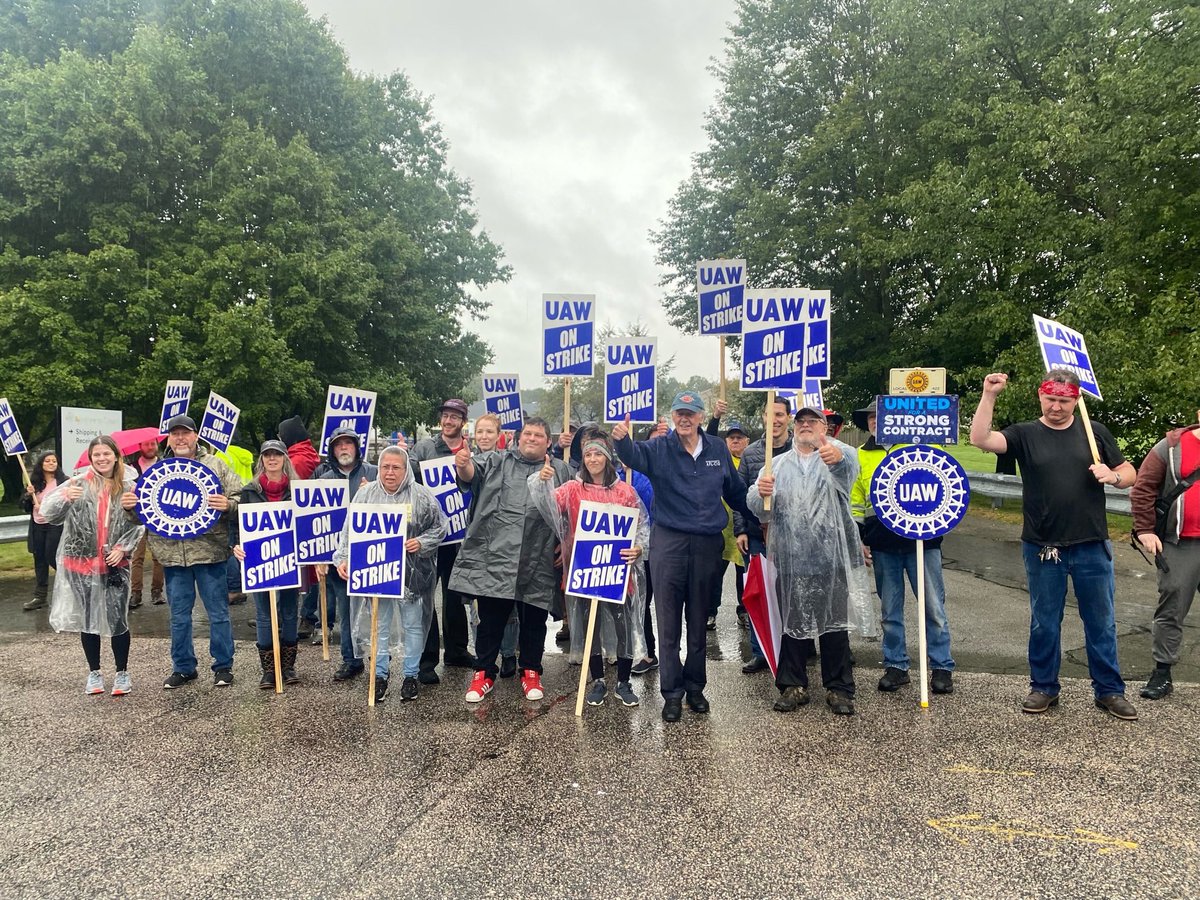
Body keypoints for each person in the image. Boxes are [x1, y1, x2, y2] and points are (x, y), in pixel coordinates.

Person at [970, 369, 1138, 720]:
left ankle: (1109, 691)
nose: (1057, 407)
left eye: (1064, 400)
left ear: (1076, 399)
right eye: (1051, 399)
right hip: (1043, 545)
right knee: (1045, 621)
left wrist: (1115, 476)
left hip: (1092, 542)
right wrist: (990, 395)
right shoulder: (1026, 434)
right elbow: (981, 439)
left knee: (1101, 621)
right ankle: (1044, 686)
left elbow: (1129, 472)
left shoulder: (1094, 432)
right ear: (1040, 395)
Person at [612, 391, 752, 722]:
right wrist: (621, 440)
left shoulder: (717, 448)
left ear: (701, 416)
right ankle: (672, 693)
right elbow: (634, 456)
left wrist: (758, 511)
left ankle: (695, 689)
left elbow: (733, 491)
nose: (684, 418)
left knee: (699, 622)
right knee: (670, 621)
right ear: (673, 416)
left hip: (706, 544)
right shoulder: (661, 448)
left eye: (690, 413)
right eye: (679, 413)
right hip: (669, 542)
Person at [747, 407, 871, 715]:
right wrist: (761, 493)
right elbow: (758, 508)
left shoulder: (838, 453)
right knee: (791, 625)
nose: (805, 426)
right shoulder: (775, 464)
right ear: (793, 425)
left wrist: (837, 461)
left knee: (833, 627)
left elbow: (847, 474)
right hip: (791, 559)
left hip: (831, 559)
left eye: (812, 421)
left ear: (824, 426)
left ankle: (838, 688)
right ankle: (793, 685)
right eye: (800, 421)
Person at [451, 417, 571, 702]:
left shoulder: (561, 470)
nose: (532, 438)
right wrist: (463, 463)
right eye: (527, 433)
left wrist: (565, 545)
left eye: (538, 435)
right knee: (491, 619)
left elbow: (571, 512)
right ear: (518, 437)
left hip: (539, 556)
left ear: (548, 441)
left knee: (534, 619)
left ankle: (531, 670)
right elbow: (470, 475)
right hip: (497, 556)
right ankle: (483, 673)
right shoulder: (496, 460)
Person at [529, 432, 649, 707]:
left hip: (617, 571)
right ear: (583, 459)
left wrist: (639, 549)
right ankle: (598, 680)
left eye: (598, 454)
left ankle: (623, 680)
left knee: (622, 626)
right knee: (590, 627)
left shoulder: (625, 491)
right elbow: (546, 504)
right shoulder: (572, 489)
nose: (593, 459)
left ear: (608, 458)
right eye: (588, 455)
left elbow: (642, 527)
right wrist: (542, 480)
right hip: (585, 571)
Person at [851, 402, 955, 695]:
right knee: (890, 609)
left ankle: (942, 667)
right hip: (883, 544)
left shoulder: (920, 447)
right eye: (871, 418)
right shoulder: (861, 456)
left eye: (880, 417)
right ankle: (896, 666)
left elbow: (946, 483)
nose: (875, 422)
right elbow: (855, 501)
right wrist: (859, 537)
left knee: (933, 607)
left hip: (923, 541)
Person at [333, 446, 447, 703]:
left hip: (412, 575)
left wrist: (422, 542)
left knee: (413, 625)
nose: (390, 472)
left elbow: (441, 527)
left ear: (406, 470)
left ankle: (410, 676)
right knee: (379, 626)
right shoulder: (365, 495)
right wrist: (343, 560)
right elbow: (348, 532)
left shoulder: (422, 496)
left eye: (396, 467)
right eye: (385, 467)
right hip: (376, 574)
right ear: (379, 468)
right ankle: (380, 676)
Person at [40, 436, 143, 695]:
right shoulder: (76, 483)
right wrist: (65, 497)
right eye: (96, 454)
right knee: (88, 619)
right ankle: (94, 673)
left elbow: (140, 523)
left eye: (106, 454)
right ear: (90, 457)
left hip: (114, 564)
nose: (101, 459)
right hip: (81, 564)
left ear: (116, 456)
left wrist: (123, 548)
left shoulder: (129, 486)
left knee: (117, 618)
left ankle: (122, 673)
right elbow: (48, 514)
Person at [150, 414, 244, 690]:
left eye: (185, 433)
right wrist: (131, 507)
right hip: (172, 555)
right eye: (175, 434)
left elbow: (241, 498)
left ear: (196, 436)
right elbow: (142, 514)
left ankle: (223, 666)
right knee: (179, 616)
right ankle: (183, 667)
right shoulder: (159, 468)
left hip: (210, 552)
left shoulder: (216, 465)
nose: (180, 438)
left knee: (218, 613)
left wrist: (228, 504)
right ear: (169, 438)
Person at [1130, 414, 1200, 700]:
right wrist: (1145, 529)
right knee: (1172, 606)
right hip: (1180, 541)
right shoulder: (1171, 446)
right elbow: (1143, 488)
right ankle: (1162, 673)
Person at [410, 399, 476, 682]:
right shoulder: (424, 448)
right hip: (429, 534)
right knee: (426, 597)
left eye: (454, 417)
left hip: (460, 534)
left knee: (454, 595)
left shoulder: (471, 449)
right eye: (445, 416)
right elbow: (406, 477)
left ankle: (457, 651)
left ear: (463, 421)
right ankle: (426, 661)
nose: (448, 421)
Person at [233, 441, 303, 689]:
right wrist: (236, 545)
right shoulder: (249, 491)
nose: (272, 459)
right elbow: (237, 526)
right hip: (259, 560)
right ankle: (269, 670)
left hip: (289, 560)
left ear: (285, 458)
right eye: (267, 455)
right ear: (261, 460)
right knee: (264, 615)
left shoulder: (298, 491)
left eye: (277, 455)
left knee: (290, 612)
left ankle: (288, 666)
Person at [313, 426, 378, 683]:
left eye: (348, 444)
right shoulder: (323, 480)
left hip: (372, 553)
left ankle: (377, 657)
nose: (343, 448)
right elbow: (315, 522)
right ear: (332, 450)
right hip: (339, 558)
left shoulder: (374, 472)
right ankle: (351, 660)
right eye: (338, 445)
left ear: (356, 447)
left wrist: (373, 491)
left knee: (376, 609)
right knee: (346, 610)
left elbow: (396, 506)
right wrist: (318, 557)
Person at [737, 395, 793, 674]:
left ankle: (797, 650)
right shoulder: (750, 454)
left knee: (793, 593)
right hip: (757, 535)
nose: (775, 420)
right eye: (770, 414)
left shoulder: (800, 449)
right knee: (759, 593)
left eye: (780, 414)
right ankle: (759, 651)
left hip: (794, 537)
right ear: (763, 416)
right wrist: (741, 530)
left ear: (788, 418)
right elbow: (740, 494)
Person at [470, 413, 519, 678]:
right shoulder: (471, 461)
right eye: (480, 432)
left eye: (490, 431)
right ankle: (484, 657)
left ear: (499, 434)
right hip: (477, 542)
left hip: (503, 541)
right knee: (478, 605)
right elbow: (468, 474)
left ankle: (509, 654)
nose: (485, 436)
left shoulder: (508, 462)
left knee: (506, 604)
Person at [704, 399, 748, 630]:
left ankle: (744, 612)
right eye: (731, 437)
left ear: (747, 441)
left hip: (742, 530)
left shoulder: (752, 460)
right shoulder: (719, 456)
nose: (736, 440)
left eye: (740, 437)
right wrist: (716, 417)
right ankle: (710, 612)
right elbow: (709, 438)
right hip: (720, 528)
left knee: (744, 575)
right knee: (714, 575)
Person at [21, 450, 66, 611]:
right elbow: (24, 507)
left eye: (54, 461)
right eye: (48, 461)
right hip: (37, 525)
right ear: (41, 463)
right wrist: (28, 495)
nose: (51, 463)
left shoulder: (63, 482)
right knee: (39, 558)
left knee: (52, 557)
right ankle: (40, 597)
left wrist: (48, 507)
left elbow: (66, 504)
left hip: (55, 524)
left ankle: (68, 589)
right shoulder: (34, 482)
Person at [124, 436, 165, 608]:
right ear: (140, 446)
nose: (150, 447)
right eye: (146, 444)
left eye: (153, 443)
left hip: (159, 517)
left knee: (159, 557)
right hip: (138, 518)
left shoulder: (165, 465)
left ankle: (157, 592)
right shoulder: (131, 469)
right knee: (136, 557)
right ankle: (136, 593)